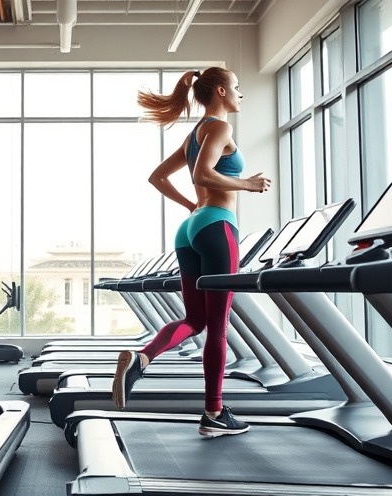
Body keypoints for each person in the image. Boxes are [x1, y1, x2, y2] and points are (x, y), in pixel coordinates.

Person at [112, 67, 271, 437]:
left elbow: (157, 177)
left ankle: (142, 357)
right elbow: (203, 175)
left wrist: (190, 207)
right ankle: (214, 413)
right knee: (217, 326)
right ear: (220, 90)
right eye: (236, 86)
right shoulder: (219, 128)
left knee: (195, 320)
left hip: (191, 228)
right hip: (217, 225)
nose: (240, 93)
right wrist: (246, 183)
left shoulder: (193, 135)